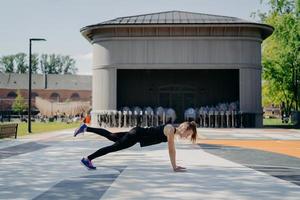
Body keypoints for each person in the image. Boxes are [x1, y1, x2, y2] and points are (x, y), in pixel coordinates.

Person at [74, 121, 198, 172]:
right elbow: (171, 150)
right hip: (136, 136)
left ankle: (86, 127)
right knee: (113, 147)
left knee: (111, 136)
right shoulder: (170, 130)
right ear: (184, 128)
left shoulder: (172, 131)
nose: (187, 137)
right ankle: (88, 159)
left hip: (137, 134)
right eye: (188, 134)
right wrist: (174, 167)